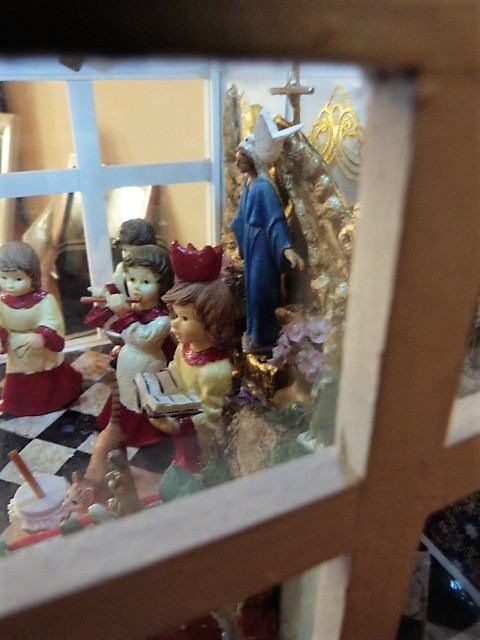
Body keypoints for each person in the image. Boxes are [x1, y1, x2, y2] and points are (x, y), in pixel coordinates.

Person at [149, 241, 234, 473]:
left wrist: (177, 424)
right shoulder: (183, 349)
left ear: (212, 323)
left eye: (184, 318)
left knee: (197, 463)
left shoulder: (214, 370)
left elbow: (211, 416)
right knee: (181, 455)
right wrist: (157, 388)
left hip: (201, 441)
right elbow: (174, 372)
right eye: (175, 315)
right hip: (181, 417)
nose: (174, 324)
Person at [85, 244, 176, 447]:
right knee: (126, 392)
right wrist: (106, 304)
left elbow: (143, 340)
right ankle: (120, 426)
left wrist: (123, 313)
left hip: (148, 365)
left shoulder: (162, 321)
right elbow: (114, 326)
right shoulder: (134, 306)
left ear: (162, 285)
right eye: (132, 279)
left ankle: (144, 433)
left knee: (141, 397)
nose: (135, 287)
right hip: (129, 362)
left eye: (145, 282)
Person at [231, 144, 305, 354]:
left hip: (262, 246)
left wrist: (286, 249)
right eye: (237, 160)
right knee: (251, 290)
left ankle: (266, 335)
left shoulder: (263, 187)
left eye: (241, 160)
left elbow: (275, 220)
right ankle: (254, 332)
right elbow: (241, 217)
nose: (237, 164)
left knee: (261, 289)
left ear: (252, 161)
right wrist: (237, 232)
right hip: (250, 242)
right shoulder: (246, 183)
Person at [0, 241, 82, 416]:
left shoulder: (44, 300)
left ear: (33, 277)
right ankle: (18, 405)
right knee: (18, 378)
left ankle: (56, 398)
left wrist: (43, 334)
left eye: (18, 279)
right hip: (18, 351)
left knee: (48, 376)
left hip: (41, 349)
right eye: (4, 278)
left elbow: (53, 321)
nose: (9, 285)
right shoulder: (3, 302)